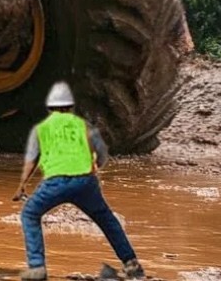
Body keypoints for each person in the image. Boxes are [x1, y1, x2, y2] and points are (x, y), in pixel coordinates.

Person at [13, 81, 144, 281]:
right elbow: (101, 153)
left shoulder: (41, 129)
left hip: (55, 183)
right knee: (107, 220)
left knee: (30, 214)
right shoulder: (84, 126)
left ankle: (37, 268)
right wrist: (94, 169)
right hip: (86, 183)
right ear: (70, 107)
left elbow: (31, 160)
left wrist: (22, 186)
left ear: (50, 108)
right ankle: (132, 265)